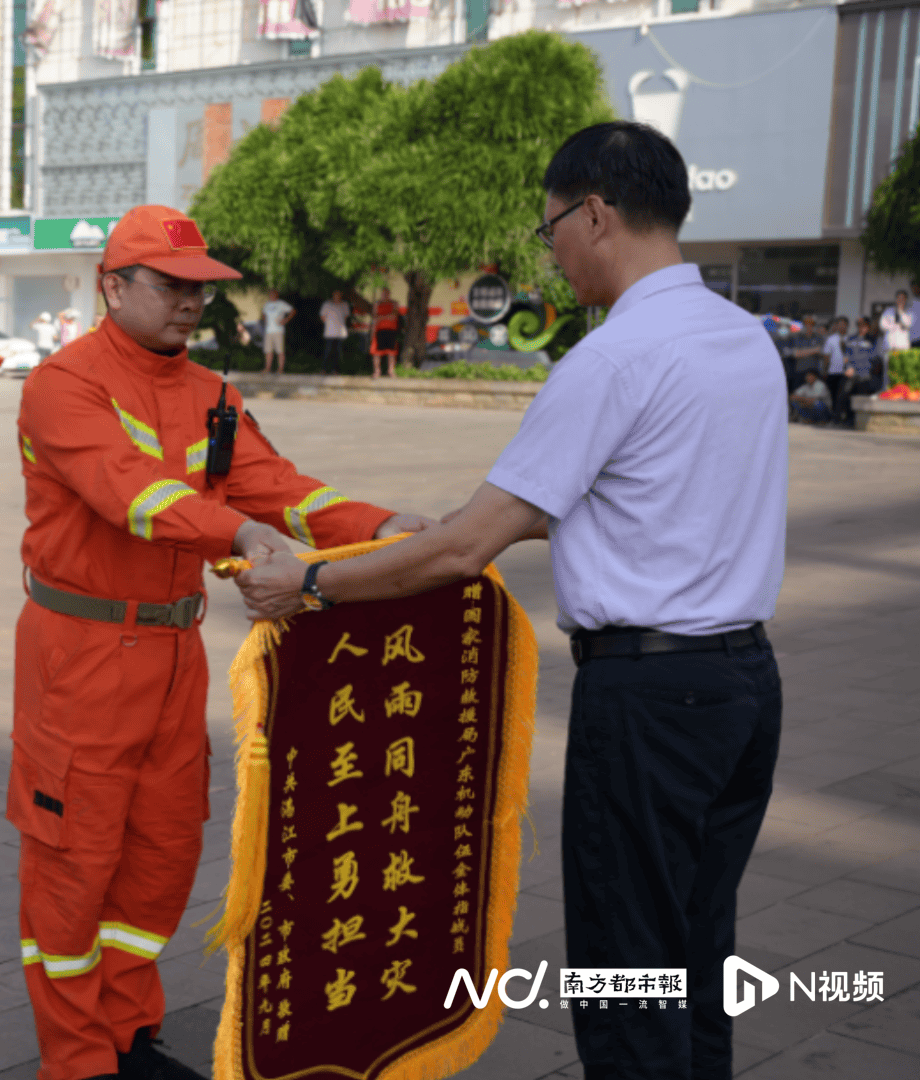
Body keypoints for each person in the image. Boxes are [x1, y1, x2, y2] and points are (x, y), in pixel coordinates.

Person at [243, 122, 785, 1080]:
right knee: (699, 948)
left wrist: (310, 582)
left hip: (651, 703)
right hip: (743, 688)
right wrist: (461, 518)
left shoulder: (614, 358)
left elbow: (459, 557)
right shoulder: (739, 338)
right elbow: (645, 505)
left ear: (596, 213)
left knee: (627, 967)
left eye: (550, 231)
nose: (554, 253)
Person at [12, 204, 433, 1080]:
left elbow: (279, 489)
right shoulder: (65, 383)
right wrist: (240, 538)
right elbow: (132, 494)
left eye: (200, 288)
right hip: (81, 655)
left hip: (173, 654)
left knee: (162, 850)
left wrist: (386, 523)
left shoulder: (212, 397)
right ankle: (79, 1060)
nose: (190, 303)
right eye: (171, 285)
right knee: (74, 862)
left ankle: (130, 1035)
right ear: (114, 285)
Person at [822, 316, 855, 428]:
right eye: (839, 324)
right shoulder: (831, 339)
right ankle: (835, 419)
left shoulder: (851, 339)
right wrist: (825, 370)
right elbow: (826, 356)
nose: (841, 326)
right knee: (834, 396)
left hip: (845, 373)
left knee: (843, 396)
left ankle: (843, 419)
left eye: (844, 324)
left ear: (847, 326)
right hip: (833, 372)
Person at [260, 289, 293, 374]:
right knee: (268, 351)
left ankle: (280, 369)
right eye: (270, 294)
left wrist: (285, 320)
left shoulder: (281, 304)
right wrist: (264, 319)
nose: (271, 295)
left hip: (278, 331)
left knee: (280, 351)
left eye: (273, 294)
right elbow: (263, 313)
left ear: (276, 295)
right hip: (268, 331)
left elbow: (292, 311)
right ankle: (267, 368)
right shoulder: (267, 304)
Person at [369, 290, 400, 378]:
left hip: (391, 330)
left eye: (386, 293)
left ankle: (391, 371)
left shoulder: (394, 303)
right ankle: (377, 371)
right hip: (379, 330)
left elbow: (394, 316)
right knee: (376, 353)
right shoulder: (377, 304)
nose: (385, 295)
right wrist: (386, 317)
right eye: (383, 294)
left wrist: (381, 317)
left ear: (389, 294)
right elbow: (375, 317)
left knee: (391, 353)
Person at [319, 289, 350, 374]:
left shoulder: (344, 304)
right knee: (328, 351)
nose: (337, 296)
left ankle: (335, 370)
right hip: (329, 332)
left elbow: (346, 316)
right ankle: (324, 369)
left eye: (339, 295)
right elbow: (322, 316)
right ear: (333, 295)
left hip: (340, 333)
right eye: (336, 295)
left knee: (338, 352)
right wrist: (329, 324)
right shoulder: (327, 304)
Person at [879, 291, 911, 356]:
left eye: (902, 298)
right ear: (896, 299)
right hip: (890, 347)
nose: (900, 300)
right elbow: (882, 325)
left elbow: (908, 324)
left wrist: (901, 312)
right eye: (898, 298)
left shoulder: (909, 312)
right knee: (889, 365)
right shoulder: (888, 311)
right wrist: (894, 326)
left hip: (902, 347)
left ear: (906, 300)